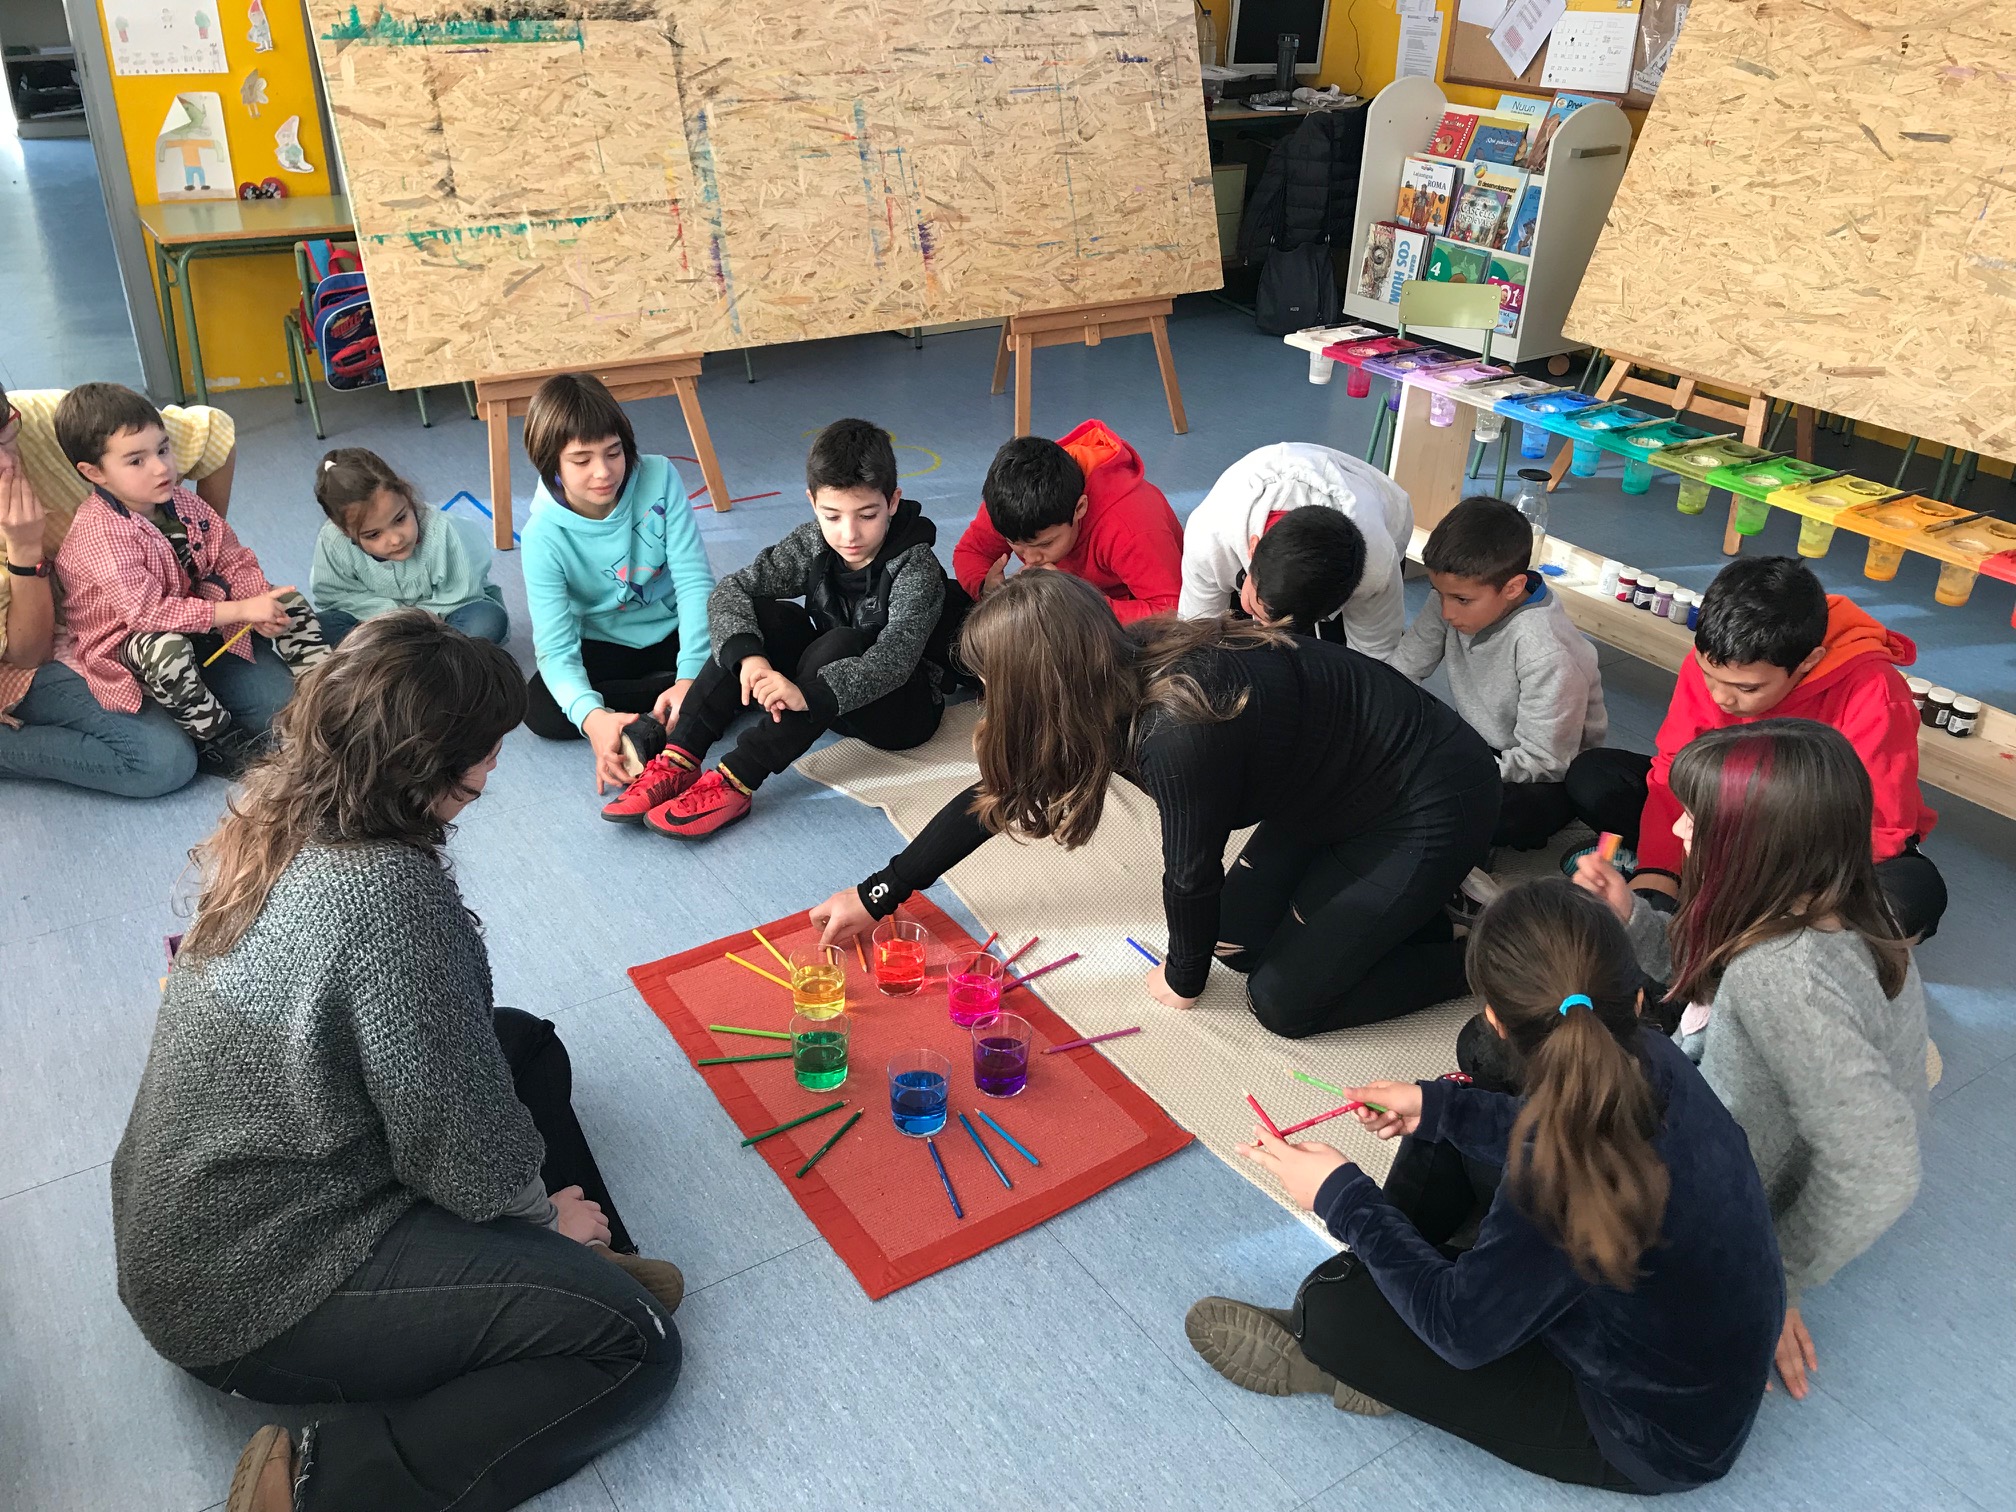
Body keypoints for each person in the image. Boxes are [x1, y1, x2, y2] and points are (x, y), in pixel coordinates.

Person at [110, 612, 683, 1512]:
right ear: (425, 766)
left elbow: (437, 1077)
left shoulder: (290, 808)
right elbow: (458, 1150)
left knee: (524, 1045)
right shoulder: (389, 895)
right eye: (486, 748)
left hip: (207, 1224)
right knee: (635, 1346)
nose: (498, 763)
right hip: (251, 1293)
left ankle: (582, 1266)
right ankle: (315, 1491)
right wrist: (539, 1218)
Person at [1186, 880, 1781, 1494]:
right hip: (1693, 1357)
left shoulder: (1561, 1171)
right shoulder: (1648, 1051)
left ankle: (1337, 1347)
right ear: (1630, 997)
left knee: (1333, 1312)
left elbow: (1460, 1332)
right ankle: (1393, 1291)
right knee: (1452, 1117)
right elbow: (1552, 1130)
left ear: (1495, 1018)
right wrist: (1437, 1108)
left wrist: (1342, 1197)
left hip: (1652, 1437)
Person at [811, 570, 1500, 1037]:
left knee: (1282, 1003)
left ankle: (1492, 947)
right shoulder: (1105, 674)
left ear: (1040, 686)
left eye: (995, 681)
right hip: (1328, 795)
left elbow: (1190, 874)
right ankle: (1420, 911)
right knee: (1237, 944)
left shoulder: (1175, 733)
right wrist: (878, 893)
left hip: (1427, 797)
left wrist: (1182, 978)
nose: (988, 696)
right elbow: (998, 794)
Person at [1574, 719, 1926, 1404]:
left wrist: (1772, 1275)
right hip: (1754, 1131)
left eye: (1698, 820)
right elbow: (1720, 970)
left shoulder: (1783, 977)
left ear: (1756, 845)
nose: (1680, 830)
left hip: (1729, 1194)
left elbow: (1882, 1166)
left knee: (1511, 1059)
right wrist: (1633, 918)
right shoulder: (1842, 903)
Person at [603, 417, 955, 838]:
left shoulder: (916, 566)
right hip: (821, 701)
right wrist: (750, 659)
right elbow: (732, 589)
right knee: (765, 618)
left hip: (900, 712)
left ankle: (736, 780)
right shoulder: (814, 541)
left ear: (893, 502)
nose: (849, 534)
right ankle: (679, 757)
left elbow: (894, 660)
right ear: (812, 502)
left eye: (867, 515)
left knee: (841, 641)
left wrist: (807, 694)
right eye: (832, 515)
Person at [1564, 555, 1946, 939]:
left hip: (1806, 839)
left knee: (1914, 894)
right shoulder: (1719, 660)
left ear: (1809, 662)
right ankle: (1703, 882)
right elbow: (1674, 769)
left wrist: (1774, 888)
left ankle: (1753, 905)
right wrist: (1658, 871)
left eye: (1747, 688)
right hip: (1719, 814)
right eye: (1709, 676)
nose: (1721, 697)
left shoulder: (1874, 692)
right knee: (1595, 777)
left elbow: (1877, 826)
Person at [50, 384, 326, 774]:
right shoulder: (99, 534)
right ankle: (215, 739)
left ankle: (326, 692)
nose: (161, 468)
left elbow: (231, 557)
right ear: (94, 473)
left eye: (162, 450)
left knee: (287, 602)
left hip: (196, 621)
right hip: (130, 641)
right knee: (166, 651)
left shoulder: (181, 502)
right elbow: (147, 614)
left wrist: (258, 604)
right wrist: (240, 610)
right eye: (136, 461)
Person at [0, 381, 237, 795]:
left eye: (5, 435)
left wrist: (190, 558)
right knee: (163, 760)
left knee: (272, 705)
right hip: (26, 653)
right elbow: (27, 656)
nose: (6, 463)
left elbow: (214, 433)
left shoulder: (49, 419)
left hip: (112, 619)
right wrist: (24, 551)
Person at [519, 372, 716, 791]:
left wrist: (688, 676)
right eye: (581, 460)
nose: (603, 472)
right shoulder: (542, 535)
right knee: (540, 706)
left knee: (775, 624)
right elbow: (555, 648)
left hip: (674, 629)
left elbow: (695, 582)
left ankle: (675, 697)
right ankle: (696, 700)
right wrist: (593, 719)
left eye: (614, 452)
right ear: (551, 462)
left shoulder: (659, 476)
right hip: (605, 642)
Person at [1392, 495, 1606, 850]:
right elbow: (1402, 671)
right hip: (1480, 745)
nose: (1446, 612)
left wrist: (1453, 768)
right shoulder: (1452, 598)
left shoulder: (1547, 653)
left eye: (1461, 600)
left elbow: (1546, 761)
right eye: (1438, 593)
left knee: (1483, 813)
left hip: (1543, 774)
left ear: (1512, 588)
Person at [1177, 441, 1413, 659]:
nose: (1264, 630)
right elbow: (1196, 640)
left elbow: (1375, 657)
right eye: (1256, 608)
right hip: (1248, 500)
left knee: (1331, 650)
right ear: (1253, 547)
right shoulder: (1209, 537)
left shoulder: (1377, 567)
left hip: (1380, 511)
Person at [951, 422, 1183, 623]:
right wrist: (987, 590)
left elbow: (1174, 611)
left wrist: (1077, 603)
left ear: (1079, 509)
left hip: (1125, 624)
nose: (1030, 559)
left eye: (1046, 544)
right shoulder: (1011, 499)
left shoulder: (1130, 526)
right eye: (1015, 543)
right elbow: (970, 552)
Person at [308, 447, 507, 646]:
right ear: (345, 531)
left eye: (400, 519)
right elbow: (336, 596)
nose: (396, 539)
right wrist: (390, 619)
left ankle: (397, 662)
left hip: (440, 626)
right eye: (374, 534)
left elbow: (461, 594)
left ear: (406, 495)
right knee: (318, 626)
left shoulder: (443, 530)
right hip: (377, 627)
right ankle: (410, 662)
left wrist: (413, 621)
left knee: (487, 620)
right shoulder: (333, 541)